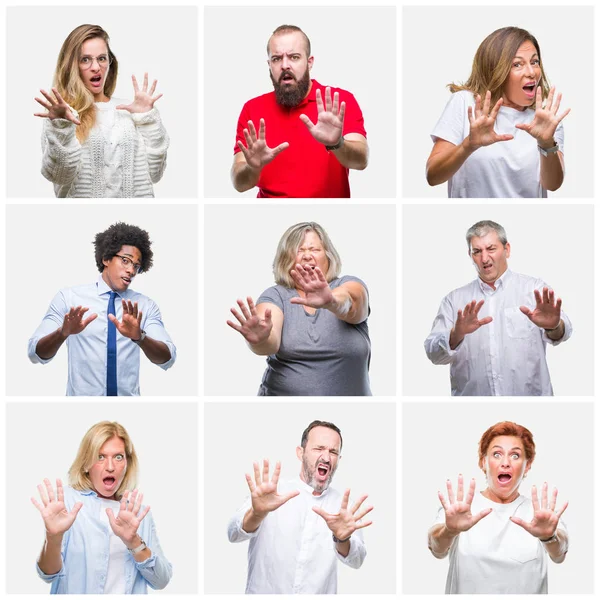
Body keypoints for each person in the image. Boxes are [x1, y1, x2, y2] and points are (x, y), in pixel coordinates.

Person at [424, 220, 571, 395]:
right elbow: (433, 354)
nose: (484, 258)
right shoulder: (454, 301)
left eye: (491, 249)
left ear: (506, 249)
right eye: (477, 251)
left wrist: (552, 326)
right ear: (470, 255)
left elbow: (564, 332)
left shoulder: (534, 290)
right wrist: (455, 335)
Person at [28, 222, 176, 395]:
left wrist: (140, 337)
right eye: (125, 261)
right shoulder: (69, 298)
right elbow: (34, 353)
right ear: (106, 259)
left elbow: (167, 359)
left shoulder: (144, 305)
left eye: (136, 266)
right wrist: (62, 333)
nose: (131, 271)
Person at [227, 222, 371, 395]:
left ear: (328, 256)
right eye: (299, 250)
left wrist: (331, 301)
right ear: (285, 259)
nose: (307, 256)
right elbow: (269, 343)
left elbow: (352, 304)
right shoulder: (275, 296)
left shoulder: (347, 284)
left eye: (314, 249)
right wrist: (259, 339)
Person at [228, 420, 372, 594]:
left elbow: (357, 560)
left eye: (333, 452)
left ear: (338, 459)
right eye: (319, 448)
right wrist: (257, 514)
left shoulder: (344, 508)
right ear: (300, 452)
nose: (326, 457)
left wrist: (342, 539)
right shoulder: (272, 493)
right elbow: (233, 534)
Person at [426, 27, 570, 198]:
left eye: (534, 62)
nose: (531, 72)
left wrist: (547, 143)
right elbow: (432, 176)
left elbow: (552, 184)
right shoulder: (466, 103)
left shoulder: (545, 119)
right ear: (496, 69)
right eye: (517, 64)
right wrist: (469, 145)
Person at [31, 421, 172, 593]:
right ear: (86, 463)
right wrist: (53, 537)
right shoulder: (66, 503)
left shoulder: (139, 513)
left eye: (118, 457)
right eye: (100, 457)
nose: (110, 467)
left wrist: (134, 542)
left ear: (127, 463)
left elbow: (162, 581)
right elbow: (48, 574)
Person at [428, 421, 568, 594]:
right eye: (497, 454)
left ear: (528, 465)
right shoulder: (460, 509)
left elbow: (560, 553)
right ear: (483, 462)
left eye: (515, 456)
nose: (506, 463)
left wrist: (549, 537)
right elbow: (436, 548)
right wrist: (449, 530)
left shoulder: (540, 515)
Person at [231, 24, 368, 198]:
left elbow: (361, 161)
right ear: (269, 65)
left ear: (309, 62)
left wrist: (336, 143)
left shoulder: (339, 100)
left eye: (294, 57)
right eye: (276, 59)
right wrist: (253, 167)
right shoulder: (252, 109)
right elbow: (239, 183)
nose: (285, 65)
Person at [34, 24, 168, 198]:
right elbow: (59, 176)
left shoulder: (129, 111)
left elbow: (156, 174)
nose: (96, 67)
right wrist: (61, 127)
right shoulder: (64, 114)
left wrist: (148, 120)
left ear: (110, 63)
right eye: (85, 59)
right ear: (71, 66)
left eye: (102, 58)